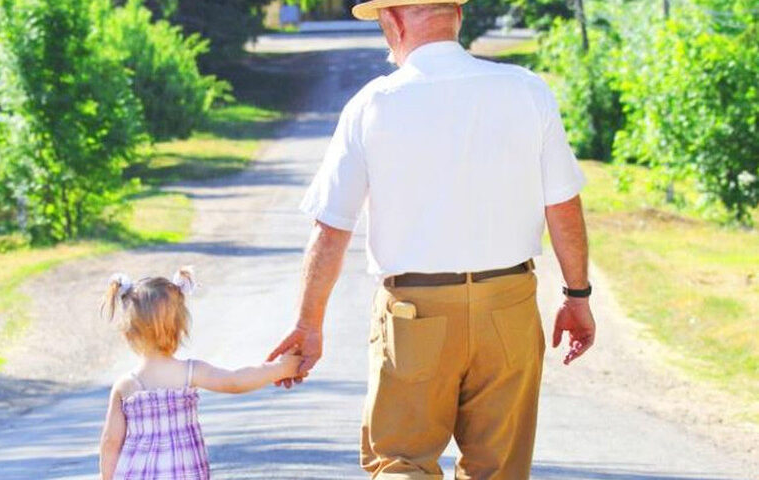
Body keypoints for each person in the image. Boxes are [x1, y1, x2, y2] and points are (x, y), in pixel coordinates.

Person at [268, 0, 597, 478]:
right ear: (456, 18)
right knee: (499, 468)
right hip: (508, 304)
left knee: (402, 462)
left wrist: (309, 322)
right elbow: (563, 204)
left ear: (393, 21)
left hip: (414, 315)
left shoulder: (373, 104)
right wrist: (577, 296)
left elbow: (332, 228)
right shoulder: (527, 90)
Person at [99, 267, 301, 480]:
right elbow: (235, 381)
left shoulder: (125, 386)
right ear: (180, 327)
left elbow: (110, 443)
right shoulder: (189, 372)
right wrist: (280, 368)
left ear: (129, 333)